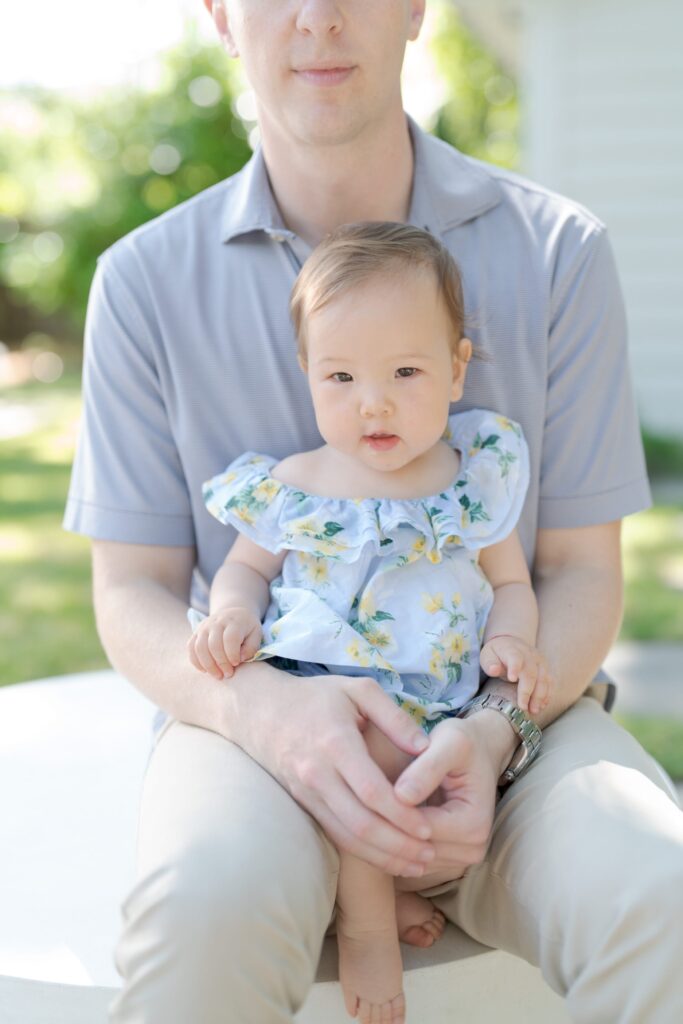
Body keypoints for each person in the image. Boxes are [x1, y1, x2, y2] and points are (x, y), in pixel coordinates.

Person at [63, 2, 683, 1022]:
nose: (317, 18)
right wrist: (259, 710)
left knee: (661, 894)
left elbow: (575, 567)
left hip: (510, 717)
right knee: (201, 910)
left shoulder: (557, 251)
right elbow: (129, 590)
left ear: (414, 8)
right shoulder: (141, 282)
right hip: (252, 723)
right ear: (220, 13)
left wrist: (495, 729)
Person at [187, 221, 552, 1021]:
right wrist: (232, 615)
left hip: (442, 694)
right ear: (308, 376)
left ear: (456, 370)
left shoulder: (470, 482)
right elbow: (246, 567)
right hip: (323, 695)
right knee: (362, 759)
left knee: (414, 764)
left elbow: (512, 582)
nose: (372, 401)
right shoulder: (296, 484)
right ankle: (365, 923)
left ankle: (388, 884)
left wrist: (512, 638)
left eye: (405, 371)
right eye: (341, 376)